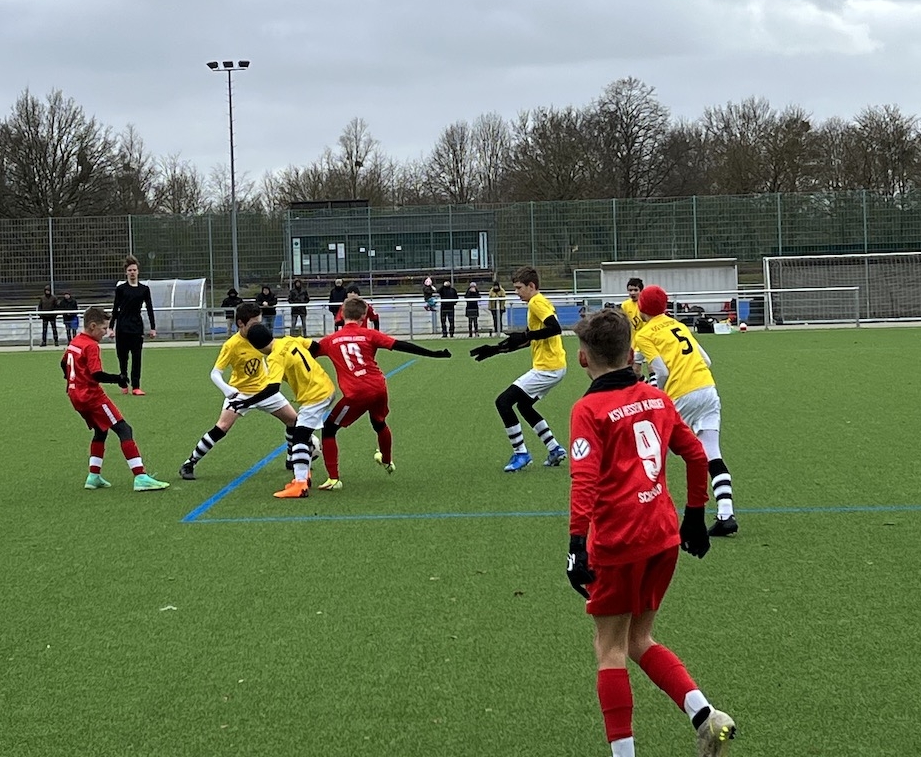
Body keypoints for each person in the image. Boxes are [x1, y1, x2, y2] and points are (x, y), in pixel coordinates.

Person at [566, 308, 735, 757]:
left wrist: (576, 543)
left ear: (583, 358)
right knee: (639, 639)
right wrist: (694, 515)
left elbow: (584, 480)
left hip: (618, 543)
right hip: (662, 538)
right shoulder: (657, 399)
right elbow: (696, 454)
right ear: (631, 354)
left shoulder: (587, 409)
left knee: (609, 649)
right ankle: (706, 716)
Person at [314, 296, 451, 490]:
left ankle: (333, 479)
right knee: (379, 423)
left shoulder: (330, 340)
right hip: (379, 387)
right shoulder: (370, 334)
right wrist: (433, 353)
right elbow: (401, 345)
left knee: (329, 428)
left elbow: (309, 353)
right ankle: (387, 460)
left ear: (342, 314)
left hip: (357, 393)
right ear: (364, 316)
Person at [633, 285, 738, 537]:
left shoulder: (644, 334)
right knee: (712, 452)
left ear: (641, 307)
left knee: (653, 456)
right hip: (707, 388)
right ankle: (726, 513)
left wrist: (655, 392)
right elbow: (706, 361)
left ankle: (644, 517)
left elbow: (661, 371)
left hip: (681, 394)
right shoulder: (677, 325)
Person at [178, 300, 299, 480]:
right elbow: (215, 373)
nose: (257, 327)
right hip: (240, 393)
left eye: (259, 323)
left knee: (294, 421)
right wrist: (227, 390)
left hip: (264, 391)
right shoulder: (232, 345)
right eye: (253, 324)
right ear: (241, 323)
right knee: (222, 427)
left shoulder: (260, 337)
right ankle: (190, 463)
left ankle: (291, 458)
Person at [469, 265, 568, 471]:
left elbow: (555, 329)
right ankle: (554, 448)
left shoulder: (536, 302)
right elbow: (528, 339)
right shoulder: (538, 303)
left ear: (531, 286)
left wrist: (525, 335)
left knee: (503, 402)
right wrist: (497, 349)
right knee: (524, 406)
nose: (516, 292)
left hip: (547, 368)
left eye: (519, 288)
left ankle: (521, 453)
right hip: (554, 367)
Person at [61, 306, 169, 492]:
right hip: (92, 397)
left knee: (100, 431)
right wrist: (118, 379)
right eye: (103, 328)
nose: (105, 332)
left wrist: (73, 380)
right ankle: (140, 476)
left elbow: (63, 363)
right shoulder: (91, 345)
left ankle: (93, 476)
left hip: (75, 396)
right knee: (124, 429)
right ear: (92, 326)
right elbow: (96, 374)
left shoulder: (75, 342)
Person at [227, 322, 336, 499]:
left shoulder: (274, 357)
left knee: (299, 437)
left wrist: (246, 402)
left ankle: (300, 485)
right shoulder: (289, 340)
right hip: (324, 385)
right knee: (301, 433)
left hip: (316, 396)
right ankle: (304, 476)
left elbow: (272, 388)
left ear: (255, 346)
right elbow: (315, 346)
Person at [109, 255, 157, 395]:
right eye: (130, 270)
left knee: (137, 358)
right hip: (122, 327)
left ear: (138, 271)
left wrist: (153, 328)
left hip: (136, 328)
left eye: (134, 270)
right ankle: (124, 382)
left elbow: (149, 308)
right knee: (122, 358)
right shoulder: (121, 289)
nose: (132, 272)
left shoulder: (144, 289)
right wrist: (111, 327)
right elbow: (115, 308)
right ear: (126, 272)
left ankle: (136, 386)